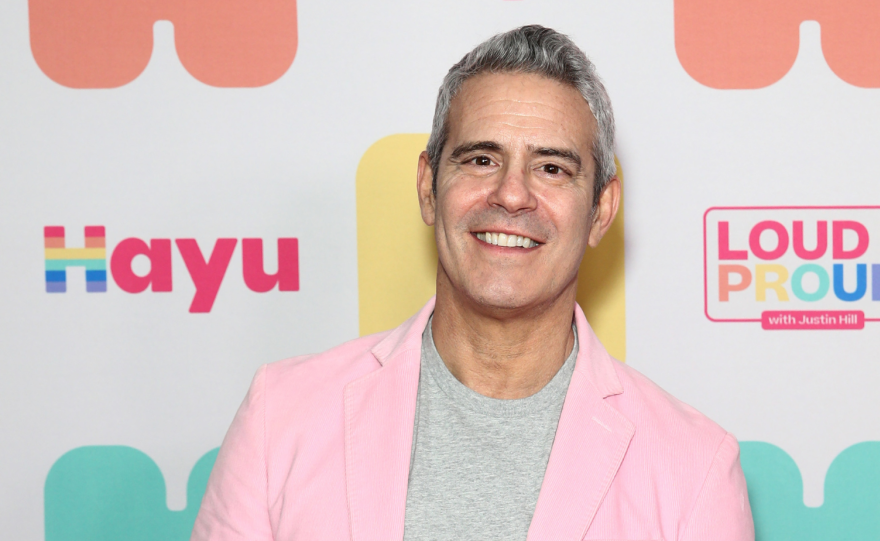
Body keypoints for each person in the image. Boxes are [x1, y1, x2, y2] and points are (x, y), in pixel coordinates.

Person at [191, 25, 754, 541]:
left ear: (602, 210)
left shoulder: (694, 466)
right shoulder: (281, 416)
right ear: (428, 187)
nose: (511, 195)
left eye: (552, 168)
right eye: (482, 159)